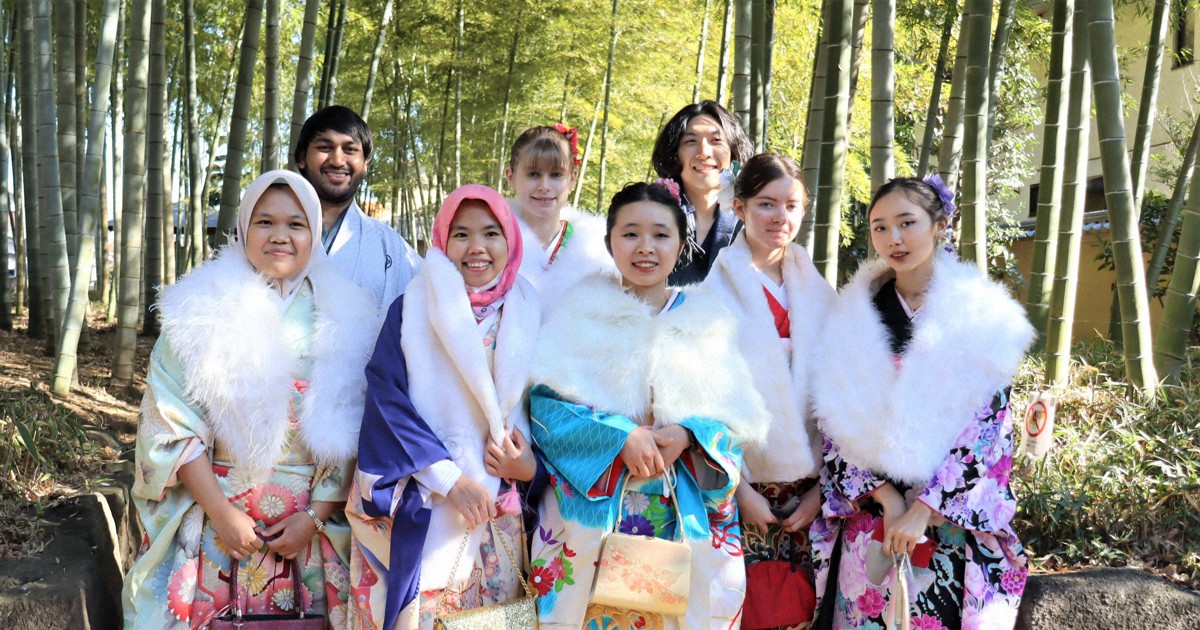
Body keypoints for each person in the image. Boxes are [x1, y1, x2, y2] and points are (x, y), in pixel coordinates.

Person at [121, 170, 381, 628]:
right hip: (214, 517)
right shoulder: (197, 309)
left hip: (308, 528)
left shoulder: (349, 314)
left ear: (315, 232)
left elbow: (359, 428)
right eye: (265, 222)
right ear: (243, 228)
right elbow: (169, 423)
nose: (280, 236)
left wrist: (315, 518)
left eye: (296, 224)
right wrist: (222, 514)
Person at [527, 181, 771, 629]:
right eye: (630, 233)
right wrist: (620, 436)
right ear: (609, 242)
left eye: (661, 234)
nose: (646, 247)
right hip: (592, 518)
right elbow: (546, 411)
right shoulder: (580, 316)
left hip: (685, 512)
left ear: (681, 244)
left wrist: (689, 434)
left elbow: (737, 421)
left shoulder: (708, 325)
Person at [810, 176, 1033, 628]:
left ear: (940, 225)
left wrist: (924, 508)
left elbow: (988, 427)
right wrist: (890, 501)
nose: (893, 239)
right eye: (879, 227)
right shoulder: (854, 313)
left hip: (948, 518)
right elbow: (832, 417)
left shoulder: (979, 312)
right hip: (874, 515)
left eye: (906, 223)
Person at [345, 184, 542, 630]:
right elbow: (386, 399)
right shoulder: (412, 306)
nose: (477, 248)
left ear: (510, 241)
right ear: (441, 240)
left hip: (499, 506)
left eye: (491, 233)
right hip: (429, 495)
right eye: (462, 234)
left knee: (492, 616)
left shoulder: (529, 308)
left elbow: (544, 406)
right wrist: (452, 480)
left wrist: (527, 466)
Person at [702, 154, 833, 629]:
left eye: (792, 206)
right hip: (740, 487)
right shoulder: (711, 294)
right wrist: (739, 491)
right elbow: (701, 400)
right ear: (738, 207)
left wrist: (824, 488)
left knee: (807, 612)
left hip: (814, 496)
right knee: (741, 613)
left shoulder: (820, 292)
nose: (781, 217)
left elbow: (846, 396)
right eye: (766, 204)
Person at [294, 105, 421, 311]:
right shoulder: (272, 233)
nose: (337, 160)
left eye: (350, 150)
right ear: (301, 158)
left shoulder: (389, 245)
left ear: (366, 164)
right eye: (325, 147)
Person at [504, 124, 614, 314]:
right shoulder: (490, 241)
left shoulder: (596, 250)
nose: (544, 186)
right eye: (533, 174)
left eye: (556, 175)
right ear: (510, 176)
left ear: (572, 178)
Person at [650, 100, 755, 286]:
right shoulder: (649, 213)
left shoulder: (752, 219)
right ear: (675, 153)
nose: (704, 152)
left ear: (733, 152)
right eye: (691, 141)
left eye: (716, 141)